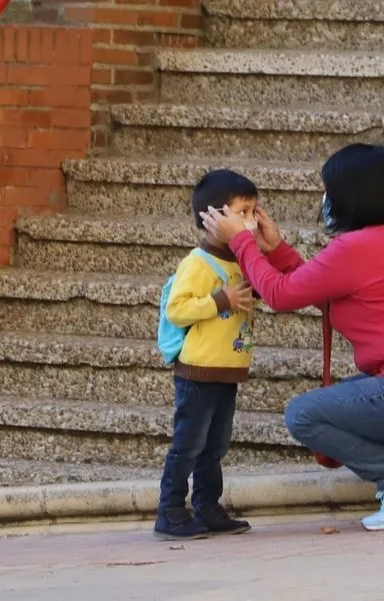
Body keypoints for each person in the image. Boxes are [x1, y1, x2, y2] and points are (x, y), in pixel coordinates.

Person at [200, 143, 384, 532]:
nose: (326, 200)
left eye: (329, 190)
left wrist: (242, 242)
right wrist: (277, 251)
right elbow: (321, 287)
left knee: (304, 414)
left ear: (349, 195)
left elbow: (279, 294)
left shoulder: (354, 248)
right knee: (352, 401)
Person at [154, 169, 260, 541]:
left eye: (253, 211)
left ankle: (208, 506)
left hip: (227, 371)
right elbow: (177, 309)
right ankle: (170, 510)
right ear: (213, 217)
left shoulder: (241, 260)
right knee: (189, 443)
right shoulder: (197, 263)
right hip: (199, 371)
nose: (250, 221)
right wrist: (220, 300)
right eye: (243, 212)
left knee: (215, 446)